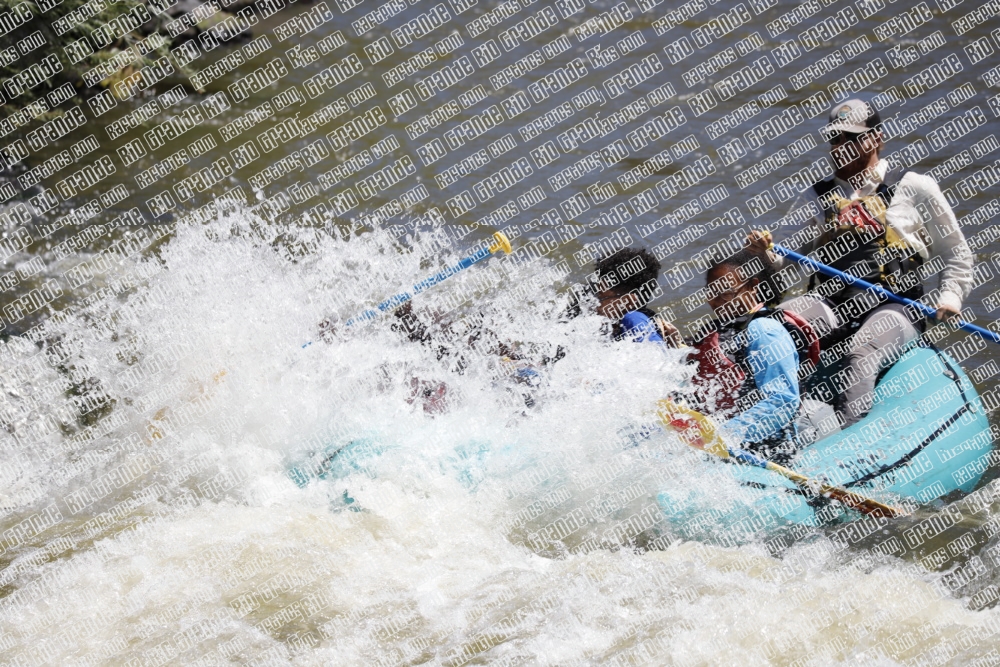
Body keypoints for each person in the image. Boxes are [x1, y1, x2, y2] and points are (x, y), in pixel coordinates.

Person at [747, 97, 975, 426]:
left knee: (862, 352)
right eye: (835, 139)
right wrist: (765, 252)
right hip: (833, 302)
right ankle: (765, 417)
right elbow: (785, 260)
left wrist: (950, 296)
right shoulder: (817, 195)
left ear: (876, 138)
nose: (841, 146)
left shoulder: (913, 187)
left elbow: (957, 252)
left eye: (851, 138)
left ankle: (847, 440)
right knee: (774, 324)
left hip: (896, 307)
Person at [658, 249, 814, 461]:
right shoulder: (723, 325)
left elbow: (783, 401)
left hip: (763, 448)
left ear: (752, 286)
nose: (715, 301)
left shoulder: (765, 331)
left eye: (726, 293)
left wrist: (720, 437)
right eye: (711, 293)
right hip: (720, 441)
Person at [590, 247, 666, 343]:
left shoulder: (634, 319)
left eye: (599, 297)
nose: (593, 304)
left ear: (627, 301)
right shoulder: (612, 327)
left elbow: (659, 355)